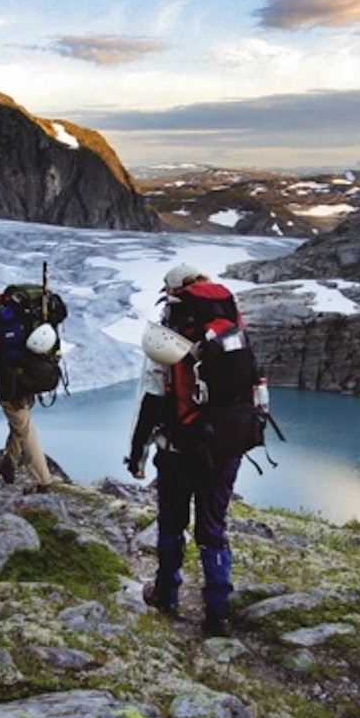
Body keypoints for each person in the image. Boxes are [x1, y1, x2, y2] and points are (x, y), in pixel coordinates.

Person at [133, 262, 244, 638]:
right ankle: (218, 612)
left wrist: (137, 453)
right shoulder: (230, 321)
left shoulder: (173, 329)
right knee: (214, 528)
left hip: (179, 447)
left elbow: (153, 396)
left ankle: (166, 594)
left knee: (172, 523)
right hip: (226, 445)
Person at [0, 281, 55, 494]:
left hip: (10, 383)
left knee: (24, 428)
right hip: (31, 375)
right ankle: (8, 465)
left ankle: (42, 480)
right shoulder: (14, 307)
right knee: (18, 422)